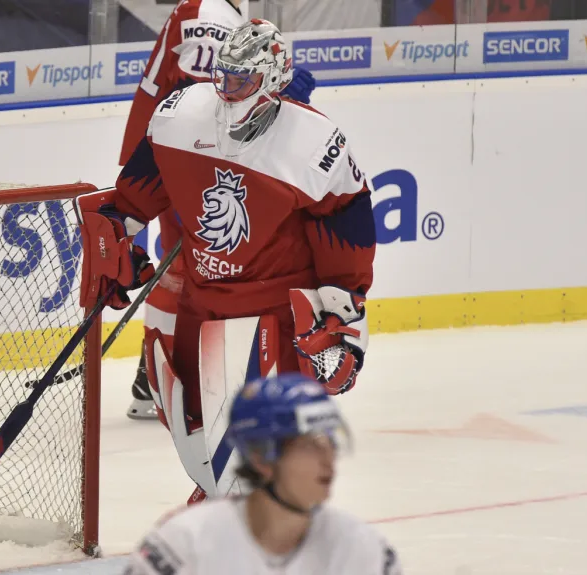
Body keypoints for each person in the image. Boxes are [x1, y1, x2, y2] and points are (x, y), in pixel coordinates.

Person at [75, 18, 375, 501]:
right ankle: (220, 515)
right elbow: (134, 198)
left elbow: (346, 215)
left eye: (245, 79)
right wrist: (117, 242)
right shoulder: (182, 114)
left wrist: (342, 310)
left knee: (266, 454)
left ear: (274, 81)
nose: (230, 89)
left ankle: (255, 528)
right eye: (226, 76)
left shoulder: (312, 143)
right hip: (204, 304)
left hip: (276, 313)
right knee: (203, 444)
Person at [119, 0, 316, 421]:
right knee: (198, 273)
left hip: (166, 154)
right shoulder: (211, 12)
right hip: (182, 158)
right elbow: (204, 97)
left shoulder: (202, 9)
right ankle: (164, 381)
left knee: (189, 273)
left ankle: (154, 378)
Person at [124, 372, 402, 574]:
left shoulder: (363, 549)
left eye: (330, 444)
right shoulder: (182, 545)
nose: (328, 461)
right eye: (308, 446)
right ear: (260, 456)